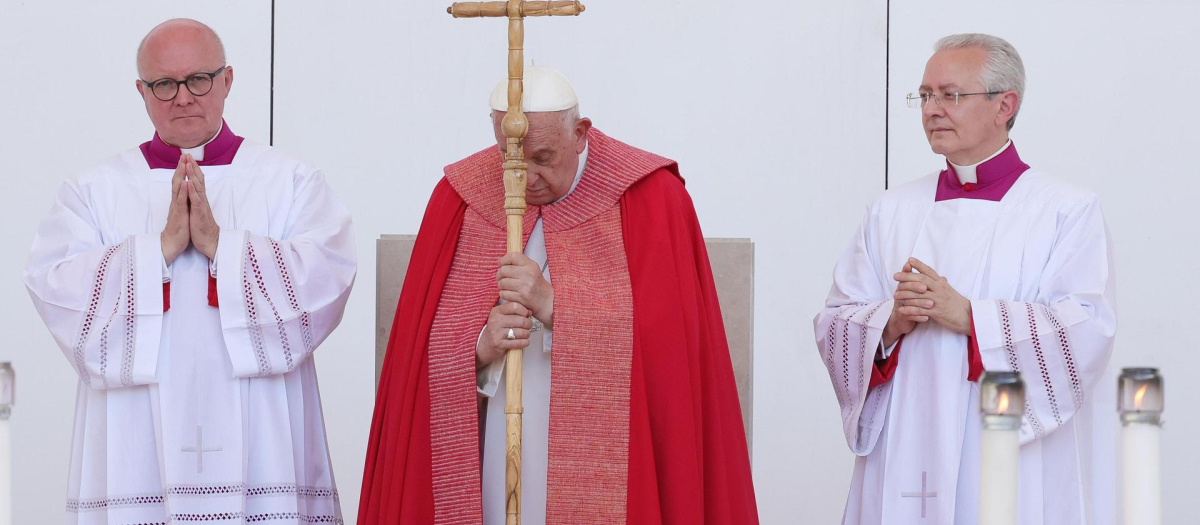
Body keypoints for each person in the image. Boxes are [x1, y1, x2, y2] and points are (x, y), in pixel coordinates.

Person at [360, 66, 758, 524]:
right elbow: (415, 359)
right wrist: (477, 350)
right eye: (511, 159)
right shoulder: (460, 199)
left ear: (581, 134)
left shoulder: (651, 199)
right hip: (493, 447)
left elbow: (673, 360)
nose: (525, 177)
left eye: (543, 156)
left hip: (613, 463)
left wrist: (554, 306)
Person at [24, 18, 355, 523]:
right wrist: (156, 252)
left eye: (198, 79)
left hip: (260, 431)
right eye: (164, 84)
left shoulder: (289, 181)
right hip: (135, 436)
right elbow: (56, 289)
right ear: (141, 91)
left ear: (227, 80)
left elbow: (326, 278)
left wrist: (221, 246)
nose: (182, 97)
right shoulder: (94, 190)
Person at [813, 33, 1117, 525]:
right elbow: (836, 322)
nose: (931, 109)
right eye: (925, 95)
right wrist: (889, 324)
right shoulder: (890, 211)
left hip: (1007, 449)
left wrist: (971, 317)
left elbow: (1087, 327)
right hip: (905, 446)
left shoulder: (1065, 209)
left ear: (1005, 105)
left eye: (950, 95)